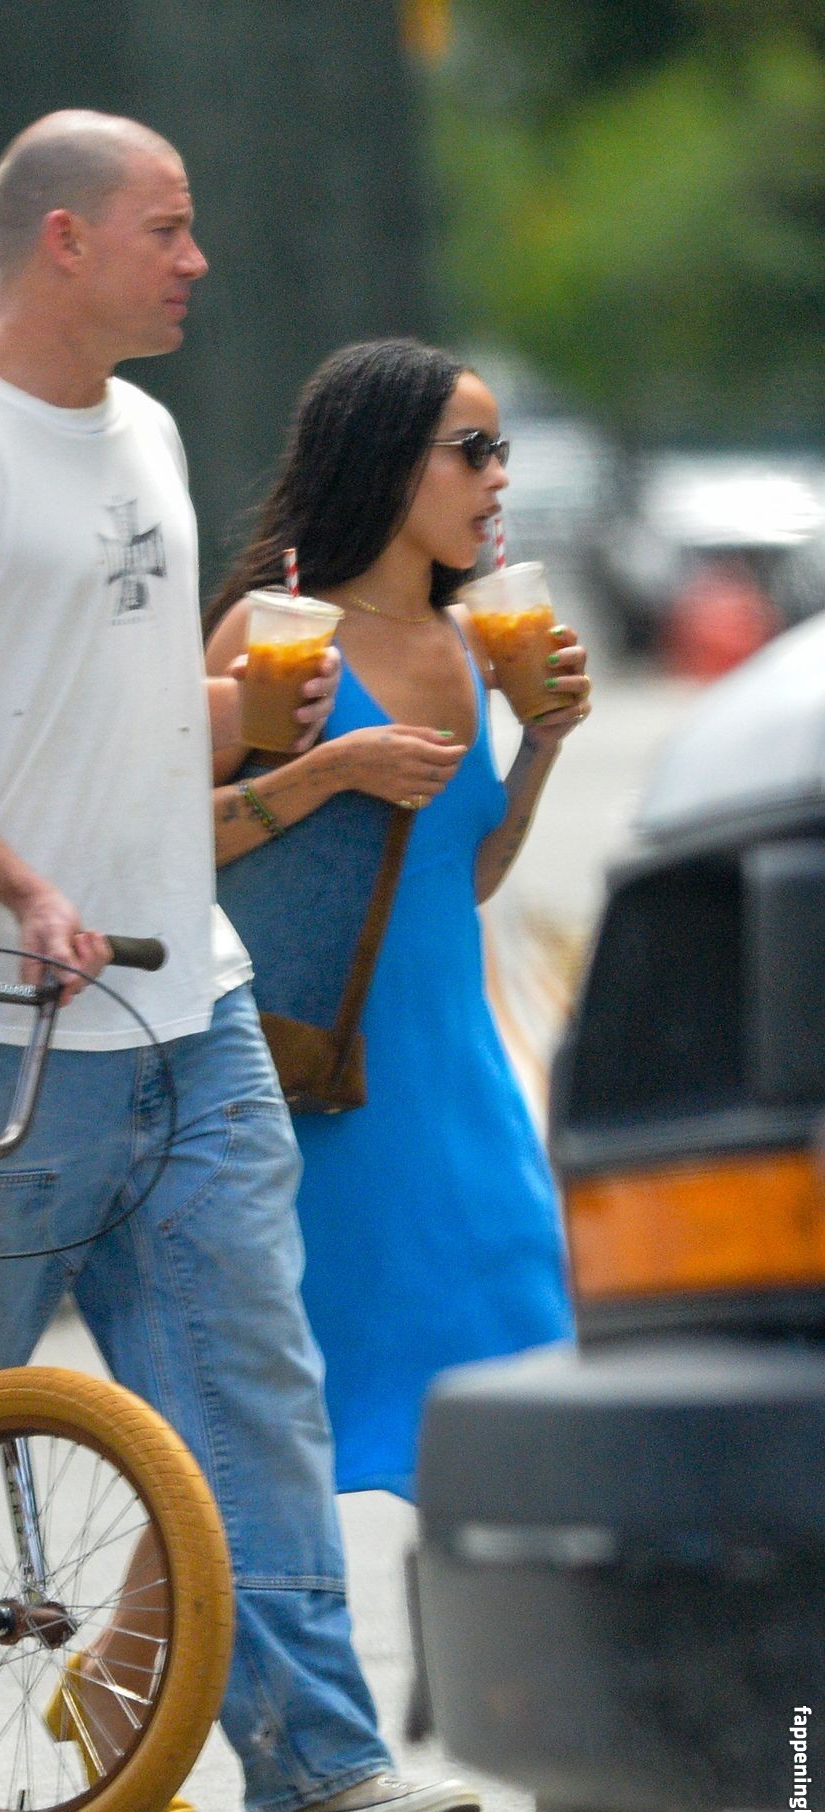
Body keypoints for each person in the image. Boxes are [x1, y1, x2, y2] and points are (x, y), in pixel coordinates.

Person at [0, 120, 480, 1812]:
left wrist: (261, 722)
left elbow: (119, 714)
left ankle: (310, 1757)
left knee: (249, 1383)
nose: (196, 260)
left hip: (185, 1008)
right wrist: (25, 887)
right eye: (167, 228)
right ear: (62, 240)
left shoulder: (143, 433)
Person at [206, 338, 587, 1502]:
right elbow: (168, 843)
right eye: (472, 450)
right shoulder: (277, 636)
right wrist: (330, 769)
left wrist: (540, 747)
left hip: (465, 1096)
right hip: (324, 1102)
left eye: (501, 450)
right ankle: (151, 1632)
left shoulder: (476, 644)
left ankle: (505, 1635)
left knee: (529, 1399)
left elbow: (462, 881)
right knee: (265, 1446)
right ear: (385, 460)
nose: (498, 477)